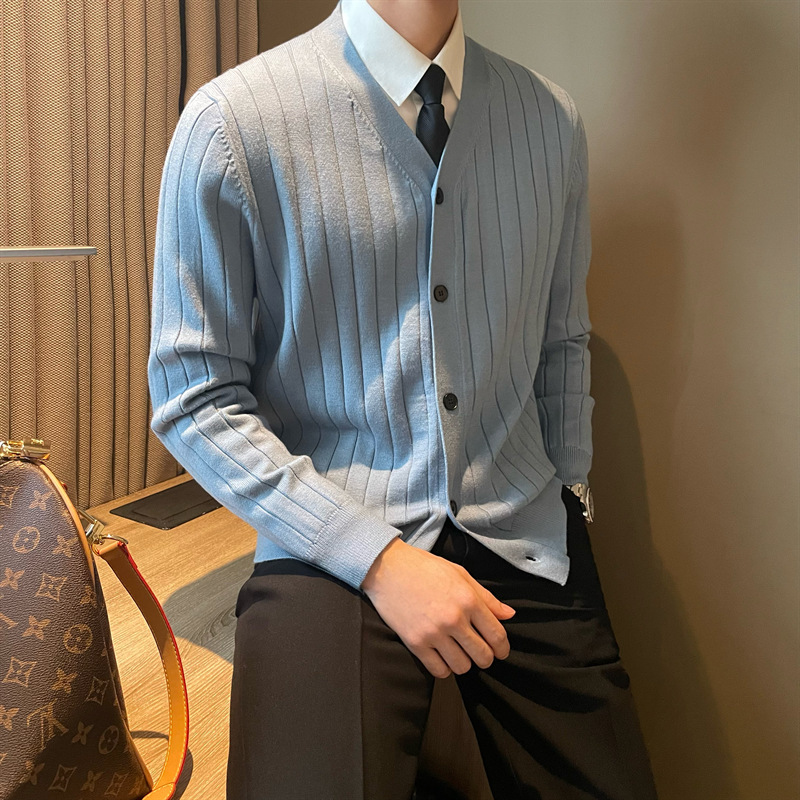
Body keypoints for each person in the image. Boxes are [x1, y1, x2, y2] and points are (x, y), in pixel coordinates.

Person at [148, 0, 660, 797]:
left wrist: (568, 492)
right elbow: (193, 394)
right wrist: (378, 559)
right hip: (327, 538)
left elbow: (560, 337)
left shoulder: (550, 120)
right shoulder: (232, 123)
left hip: (522, 525)